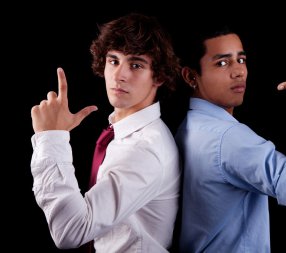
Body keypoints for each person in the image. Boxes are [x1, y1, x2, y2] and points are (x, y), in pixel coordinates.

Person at [174, 23, 286, 253]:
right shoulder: (228, 138)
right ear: (191, 76)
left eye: (241, 60)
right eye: (222, 63)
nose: (239, 71)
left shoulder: (189, 126)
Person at [30, 13, 181, 252]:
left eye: (135, 65)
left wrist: (51, 137)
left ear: (159, 76)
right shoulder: (123, 131)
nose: (119, 75)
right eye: (113, 60)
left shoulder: (144, 149)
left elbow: (71, 231)